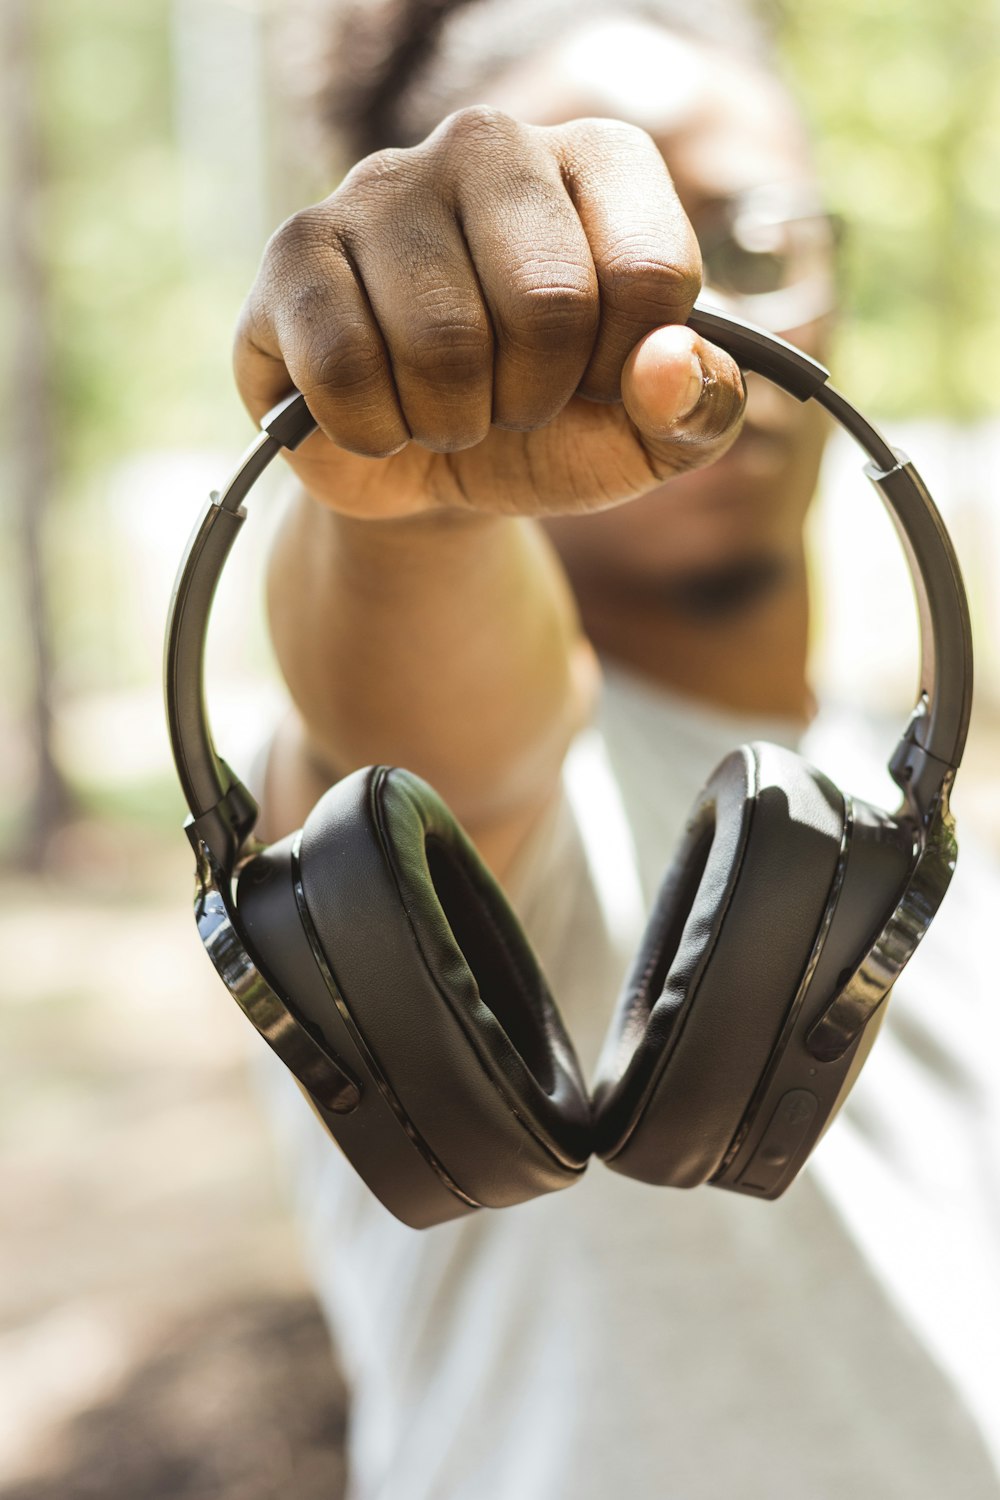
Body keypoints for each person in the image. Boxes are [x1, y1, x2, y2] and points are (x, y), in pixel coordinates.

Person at [236, 1, 1000, 1494]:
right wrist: (410, 493)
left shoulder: (876, 820)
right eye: (576, 281)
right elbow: (407, 708)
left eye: (752, 234)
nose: (684, 320)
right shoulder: (448, 818)